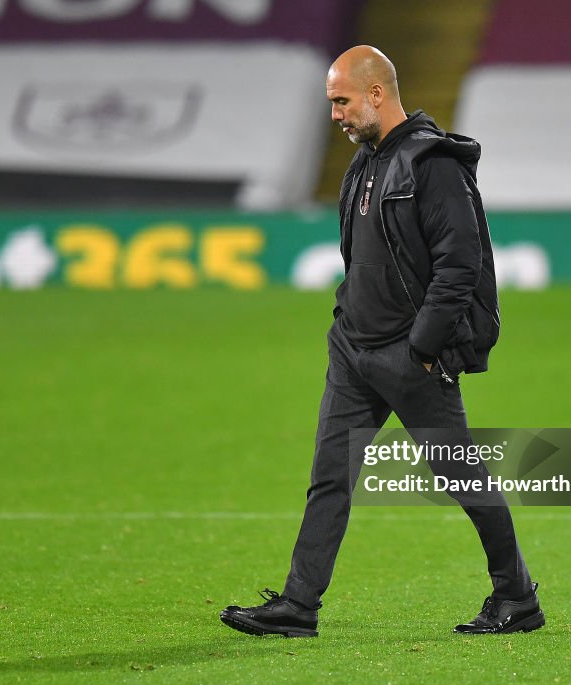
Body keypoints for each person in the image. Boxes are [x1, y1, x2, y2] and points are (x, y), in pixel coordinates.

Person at [220, 46, 544, 637]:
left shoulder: (432, 164)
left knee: (461, 477)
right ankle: (298, 605)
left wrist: (421, 350)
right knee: (329, 477)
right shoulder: (367, 161)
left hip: (408, 357)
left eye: (341, 101)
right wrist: (346, 321)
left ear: (375, 94)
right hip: (354, 350)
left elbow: (460, 265)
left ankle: (516, 596)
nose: (336, 114)